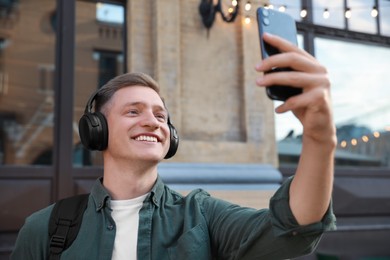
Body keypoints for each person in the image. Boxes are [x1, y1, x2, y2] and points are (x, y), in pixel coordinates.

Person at [11, 33, 336, 260]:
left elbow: (294, 226)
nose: (153, 121)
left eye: (161, 115)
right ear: (97, 130)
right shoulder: (45, 228)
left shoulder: (202, 215)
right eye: (133, 111)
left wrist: (320, 140)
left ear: (171, 136)